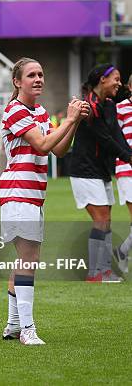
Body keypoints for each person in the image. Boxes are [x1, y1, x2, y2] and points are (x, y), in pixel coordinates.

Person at [0, 57, 89, 345]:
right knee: (29, 260)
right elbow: (42, 144)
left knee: (24, 260)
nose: (38, 79)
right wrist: (70, 119)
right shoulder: (15, 110)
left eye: (41, 74)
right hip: (18, 192)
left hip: (33, 194)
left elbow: (59, 151)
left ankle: (14, 325)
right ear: (17, 81)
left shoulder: (39, 111)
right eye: (31, 75)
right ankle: (27, 329)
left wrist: (71, 124)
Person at [69, 64, 130, 283]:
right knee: (101, 219)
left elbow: (117, 136)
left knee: (107, 220)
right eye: (116, 78)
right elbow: (104, 139)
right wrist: (129, 157)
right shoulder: (89, 107)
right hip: (85, 171)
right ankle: (95, 273)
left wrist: (129, 155)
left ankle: (103, 271)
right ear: (102, 80)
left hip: (101, 172)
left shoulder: (109, 105)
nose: (119, 83)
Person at [113, 74, 132, 275]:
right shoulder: (121, 108)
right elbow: (113, 137)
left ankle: (122, 251)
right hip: (127, 169)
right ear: (129, 87)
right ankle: (121, 251)